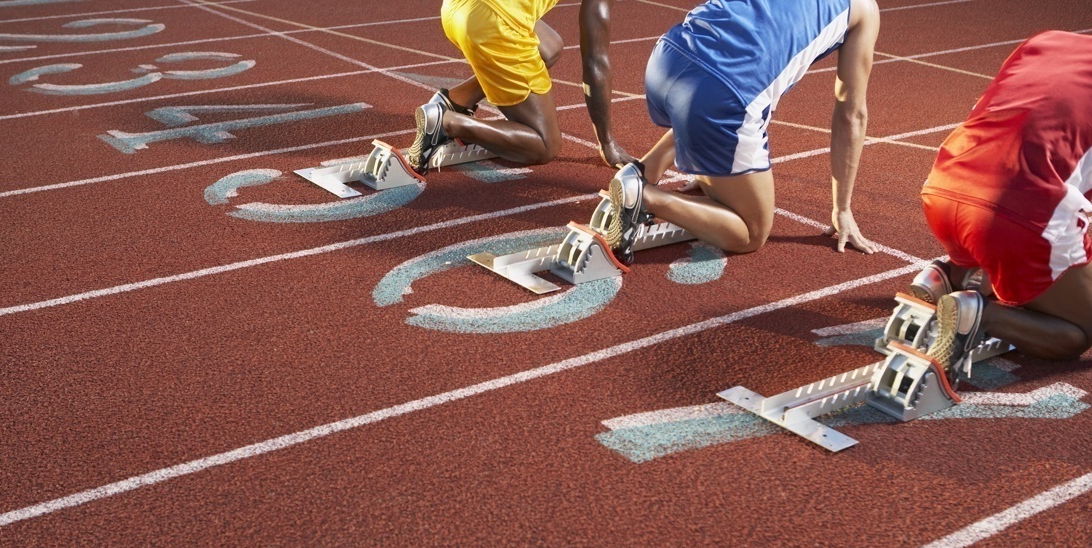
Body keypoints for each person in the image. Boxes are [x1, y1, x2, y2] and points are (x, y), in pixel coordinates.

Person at [605, 0, 880, 262]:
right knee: (751, 234)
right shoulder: (863, 9)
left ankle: (642, 171)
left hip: (667, 58)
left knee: (747, 95)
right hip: (719, 94)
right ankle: (646, 198)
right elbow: (851, 115)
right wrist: (842, 208)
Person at [914, 30, 1092, 372]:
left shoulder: (1048, 39)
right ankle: (981, 314)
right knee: (1078, 333)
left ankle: (946, 278)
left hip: (943, 184)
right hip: (1013, 217)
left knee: (1007, 246)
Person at [406, 0, 628, 172]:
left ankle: (455, 101)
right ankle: (445, 122)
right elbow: (595, 61)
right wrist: (607, 142)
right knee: (545, 144)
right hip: (490, 24)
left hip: (455, 9)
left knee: (549, 48)